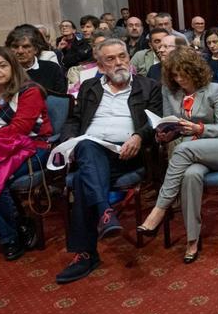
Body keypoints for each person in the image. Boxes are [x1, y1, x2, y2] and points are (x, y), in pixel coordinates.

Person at [55, 39, 162, 284]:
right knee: (87, 146)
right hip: (90, 150)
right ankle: (105, 212)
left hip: (126, 155)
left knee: (84, 177)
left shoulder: (148, 86)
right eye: (110, 59)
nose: (118, 63)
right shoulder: (90, 87)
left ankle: (85, 253)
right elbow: (74, 119)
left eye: (122, 56)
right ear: (101, 66)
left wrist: (138, 136)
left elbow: (154, 122)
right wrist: (68, 142)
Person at [135, 49, 218, 262]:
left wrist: (198, 128)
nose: (179, 79)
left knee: (183, 150)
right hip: (191, 153)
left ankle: (159, 210)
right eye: (175, 75)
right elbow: (170, 124)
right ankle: (192, 240)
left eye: (183, 74)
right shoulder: (170, 92)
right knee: (190, 176)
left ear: (195, 71)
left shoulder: (214, 90)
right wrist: (163, 134)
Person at [0, 47, 52, 260]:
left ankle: (8, 239)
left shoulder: (30, 91)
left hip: (32, 147)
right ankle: (19, 224)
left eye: (2, 65)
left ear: (13, 68)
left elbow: (19, 130)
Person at [6, 25, 66, 94]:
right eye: (15, 47)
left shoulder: (52, 69)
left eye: (26, 46)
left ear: (36, 49)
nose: (20, 51)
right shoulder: (5, 72)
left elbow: (60, 100)